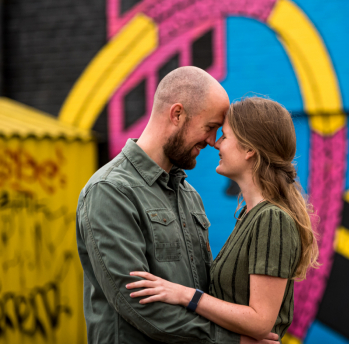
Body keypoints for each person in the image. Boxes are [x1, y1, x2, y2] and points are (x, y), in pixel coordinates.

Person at [76, 67, 279, 344]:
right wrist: (233, 340)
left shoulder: (188, 194)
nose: (212, 141)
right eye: (209, 127)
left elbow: (204, 289)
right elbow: (138, 304)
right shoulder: (110, 191)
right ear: (177, 114)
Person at [126, 96, 319, 341]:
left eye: (225, 136)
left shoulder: (272, 219)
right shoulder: (250, 215)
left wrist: (187, 296)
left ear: (250, 149)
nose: (216, 144)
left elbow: (260, 321)